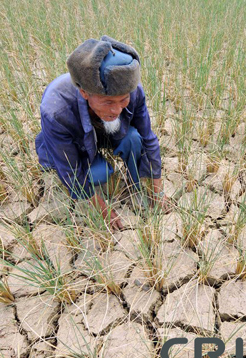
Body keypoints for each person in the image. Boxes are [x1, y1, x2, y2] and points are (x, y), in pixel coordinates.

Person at [35, 35, 170, 231]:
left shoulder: (131, 89)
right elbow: (70, 170)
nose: (116, 110)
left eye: (123, 100)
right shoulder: (56, 111)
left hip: (108, 135)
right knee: (99, 174)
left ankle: (137, 185)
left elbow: (149, 140)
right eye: (108, 102)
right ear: (84, 93)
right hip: (78, 147)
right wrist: (102, 209)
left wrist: (156, 191)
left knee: (133, 139)